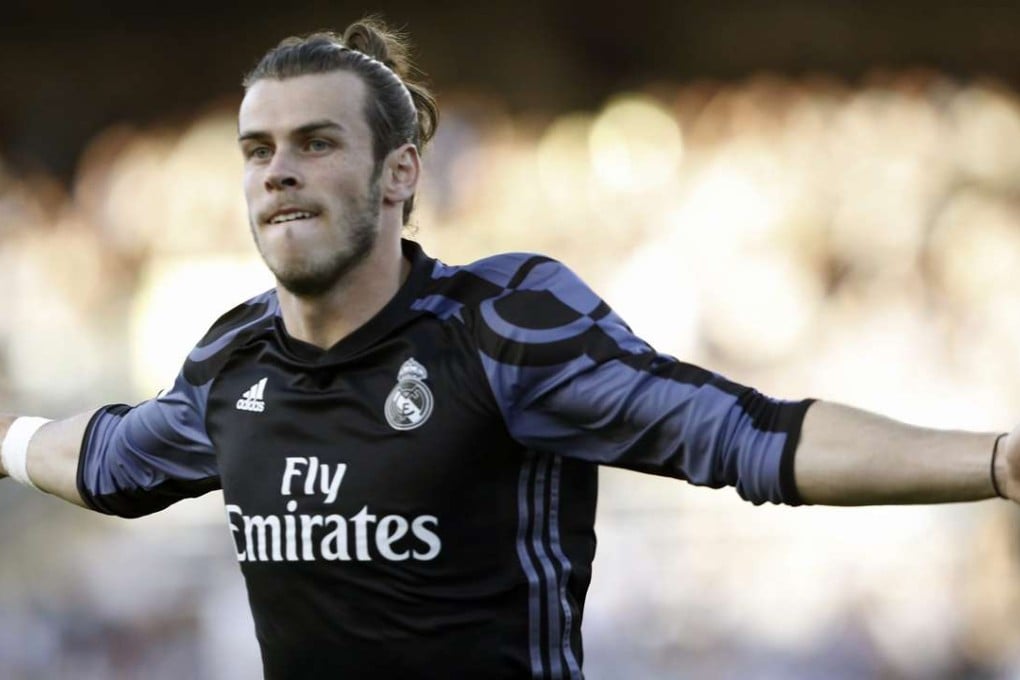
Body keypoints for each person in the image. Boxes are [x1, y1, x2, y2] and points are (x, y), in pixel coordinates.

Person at [1, 16, 1016, 680]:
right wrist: (4, 434)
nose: (277, 173)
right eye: (257, 150)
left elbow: (751, 436)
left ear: (400, 176)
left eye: (316, 143)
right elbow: (103, 459)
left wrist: (995, 460)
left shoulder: (500, 328)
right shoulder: (231, 362)